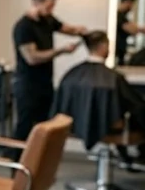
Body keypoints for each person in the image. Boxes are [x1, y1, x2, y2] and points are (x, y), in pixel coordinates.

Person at [54, 31, 145, 161]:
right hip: (109, 126)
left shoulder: (71, 75)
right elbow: (136, 105)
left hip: (74, 125)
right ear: (103, 46)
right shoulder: (113, 77)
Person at [12, 0, 87, 140]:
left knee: (45, 125)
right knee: (25, 126)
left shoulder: (48, 19)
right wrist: (62, 51)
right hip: (27, 86)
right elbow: (32, 58)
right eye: (49, 6)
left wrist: (81, 31)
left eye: (53, 6)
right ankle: (17, 162)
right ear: (36, 2)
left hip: (45, 83)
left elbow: (67, 28)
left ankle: (39, 162)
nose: (51, 9)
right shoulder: (23, 27)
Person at [116, 0, 145, 65]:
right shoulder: (118, 16)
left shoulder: (123, 17)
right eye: (131, 4)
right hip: (117, 52)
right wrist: (141, 29)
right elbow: (132, 30)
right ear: (127, 2)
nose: (132, 7)